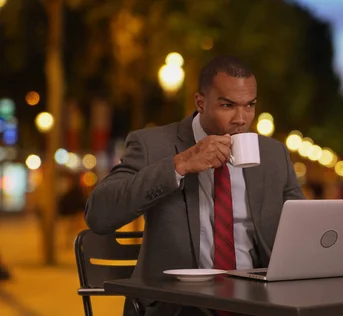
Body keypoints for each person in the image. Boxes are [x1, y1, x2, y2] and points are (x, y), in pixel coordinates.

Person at [85, 56, 305, 316]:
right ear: (200, 103)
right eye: (228, 105)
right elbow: (98, 214)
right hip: (178, 305)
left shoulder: (273, 155)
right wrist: (179, 165)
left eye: (250, 106)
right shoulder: (153, 146)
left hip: (257, 303)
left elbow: (301, 230)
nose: (241, 119)